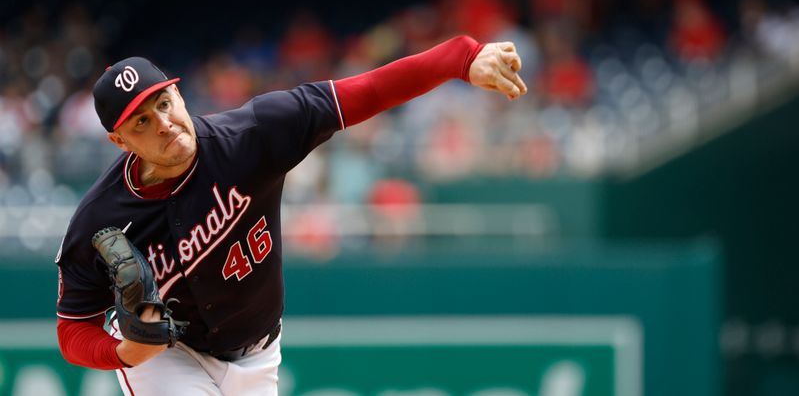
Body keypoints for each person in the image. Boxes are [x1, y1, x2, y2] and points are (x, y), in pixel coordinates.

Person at [54, 34, 527, 395]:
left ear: (179, 95)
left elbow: (361, 93)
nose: (164, 123)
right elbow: (73, 329)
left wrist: (461, 57)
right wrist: (120, 352)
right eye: (142, 121)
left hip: (258, 351)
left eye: (164, 102)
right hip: (166, 354)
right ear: (119, 141)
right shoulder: (99, 218)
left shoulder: (254, 135)